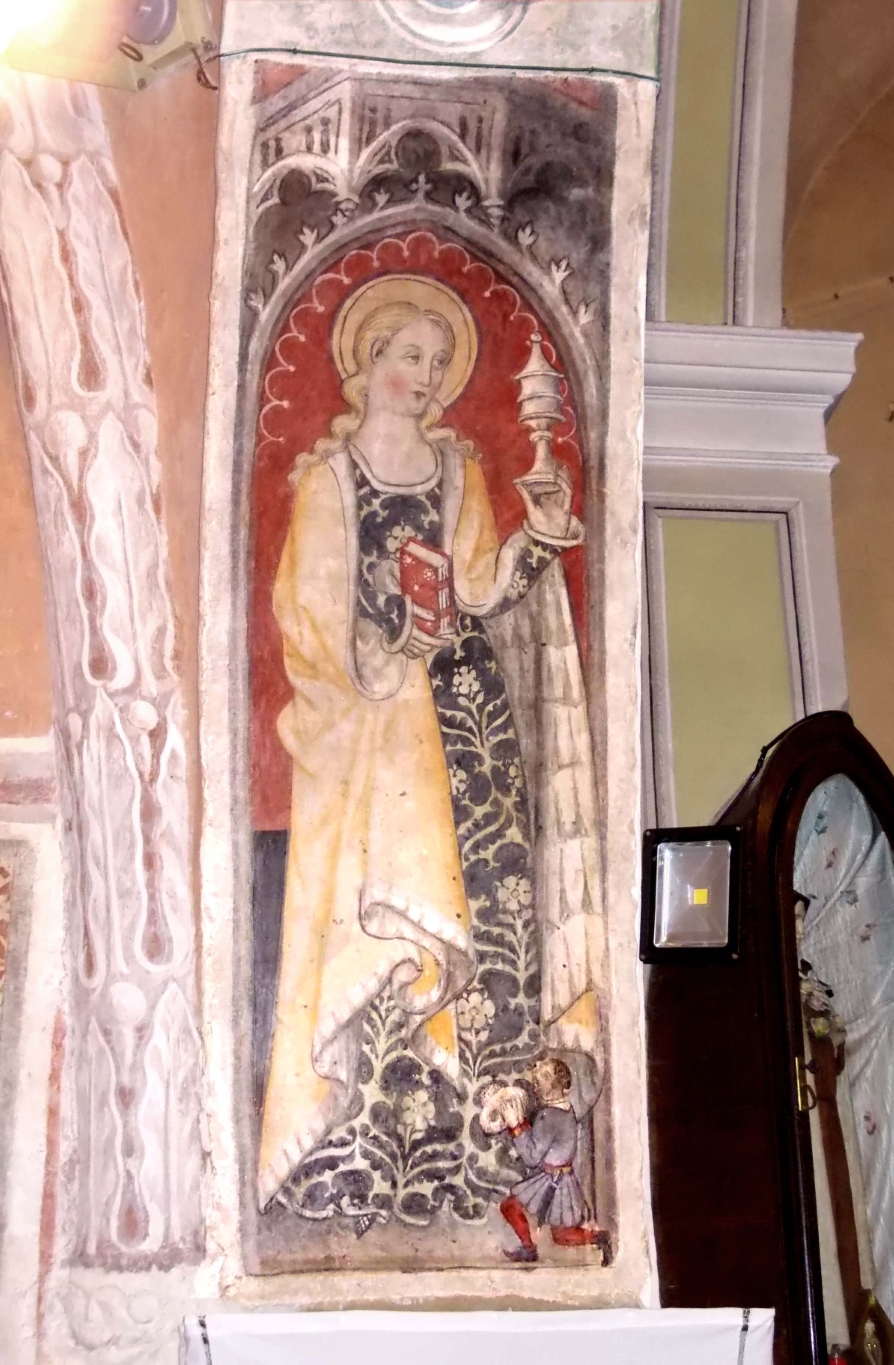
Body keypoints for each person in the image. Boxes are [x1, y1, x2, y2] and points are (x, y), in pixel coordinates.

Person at [256, 274, 604, 1238]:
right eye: (409, 354)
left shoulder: (458, 471)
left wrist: (541, 533)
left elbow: (482, 586)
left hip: (466, 729)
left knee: (486, 923)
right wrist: (383, 651)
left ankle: (477, 1163)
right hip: (374, 741)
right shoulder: (328, 482)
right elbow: (306, 623)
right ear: (368, 361)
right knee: (388, 929)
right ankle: (364, 1161)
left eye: (439, 359)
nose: (426, 373)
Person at [498, 1057, 611, 1265]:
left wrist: (515, 1125)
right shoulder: (564, 1109)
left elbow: (532, 1156)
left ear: (558, 1085)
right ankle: (597, 1238)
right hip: (561, 1179)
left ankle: (529, 1249)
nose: (537, 1079)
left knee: (510, 1207)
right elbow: (542, 1141)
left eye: (545, 1076)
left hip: (551, 1180)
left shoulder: (549, 1116)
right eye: (538, 1075)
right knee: (561, 1234)